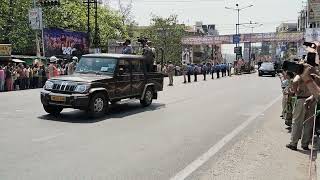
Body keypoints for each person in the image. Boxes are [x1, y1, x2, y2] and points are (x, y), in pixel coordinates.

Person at [286, 73, 315, 151]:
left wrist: (296, 92)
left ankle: (293, 143)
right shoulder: (315, 72)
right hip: (312, 99)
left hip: (302, 99)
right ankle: (305, 144)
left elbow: (295, 81)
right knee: (309, 123)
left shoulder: (303, 72)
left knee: (297, 121)